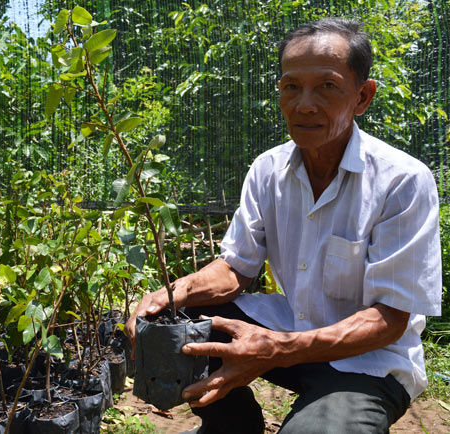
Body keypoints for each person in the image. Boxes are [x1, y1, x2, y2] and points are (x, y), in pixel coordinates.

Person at [125, 17, 442, 434]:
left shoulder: (401, 180)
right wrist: (167, 295)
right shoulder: (268, 170)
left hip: (369, 362)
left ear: (363, 96)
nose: (304, 104)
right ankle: (232, 425)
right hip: (285, 333)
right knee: (173, 317)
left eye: (327, 86)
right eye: (291, 87)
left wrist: (277, 349)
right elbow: (236, 269)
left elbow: (390, 320)